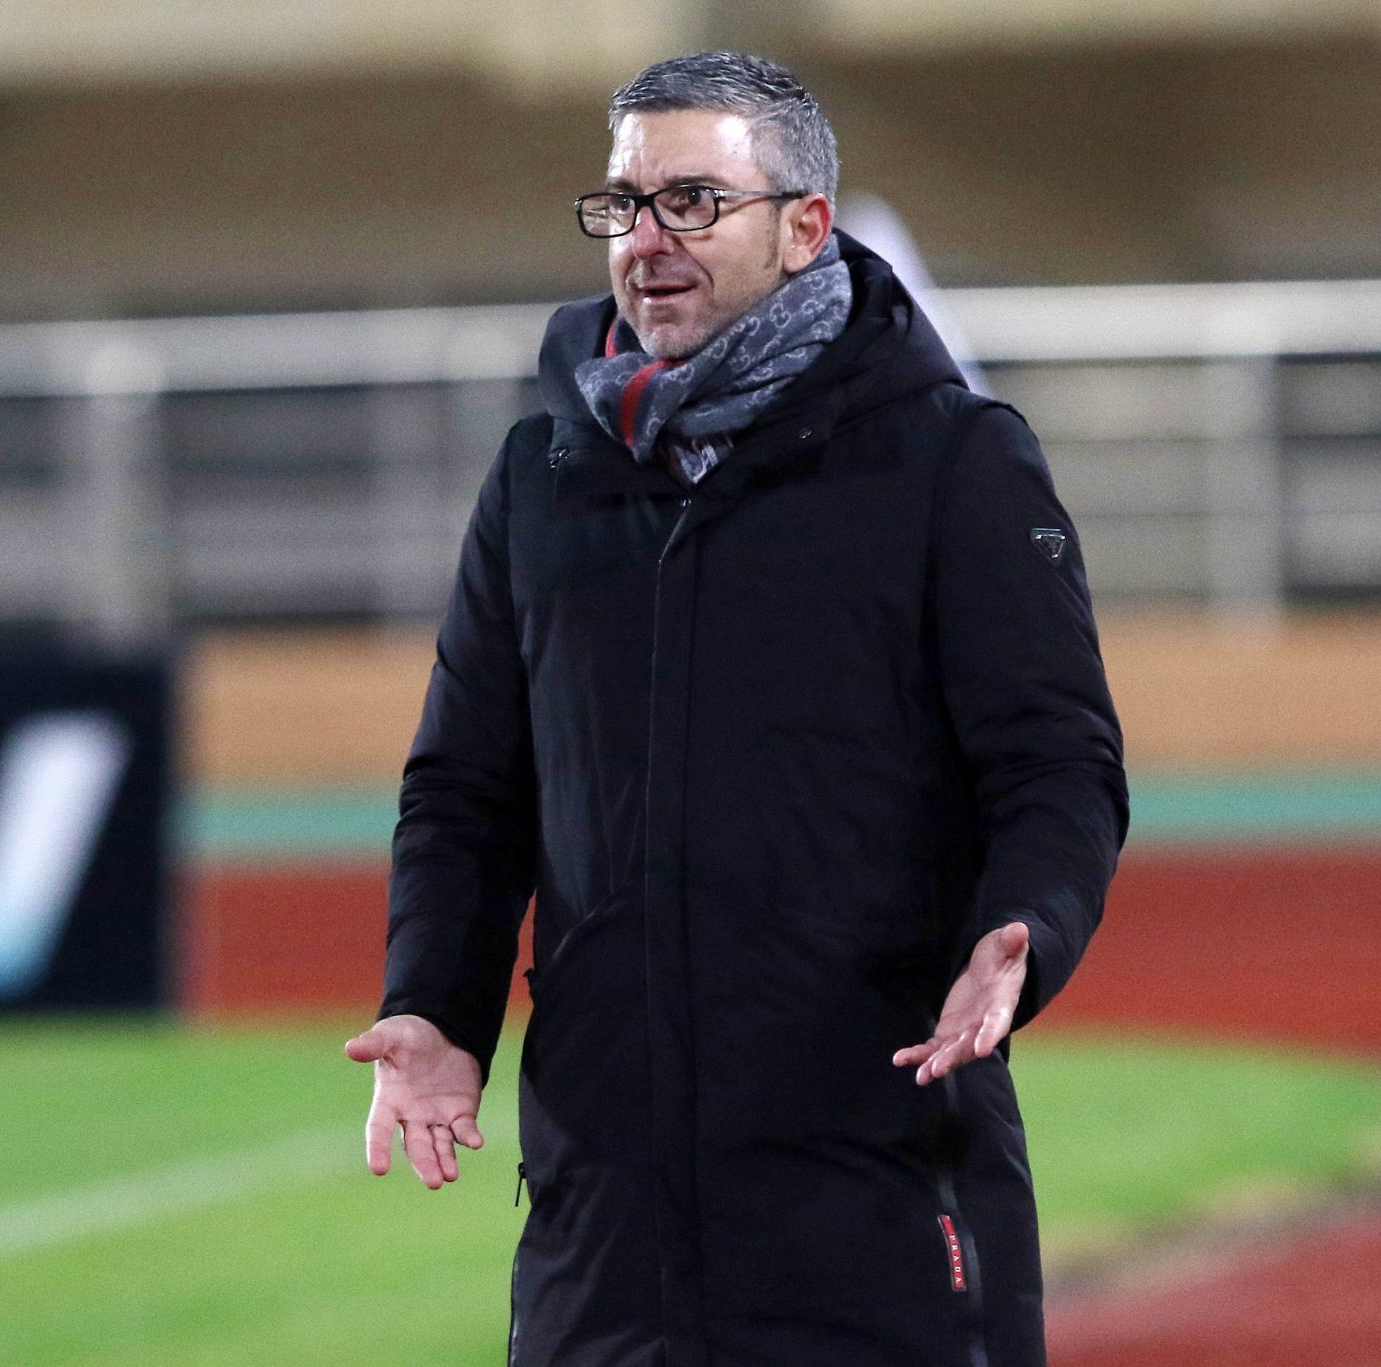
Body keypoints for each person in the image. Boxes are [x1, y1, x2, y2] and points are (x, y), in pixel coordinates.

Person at [346, 51, 1127, 1367]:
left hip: (880, 1195)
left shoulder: (954, 460)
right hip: (605, 1222)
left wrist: (1026, 929)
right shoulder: (541, 476)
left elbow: (1057, 764)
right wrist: (434, 1004)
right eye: (624, 205)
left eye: (693, 203)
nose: (646, 241)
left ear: (804, 227)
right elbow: (467, 792)